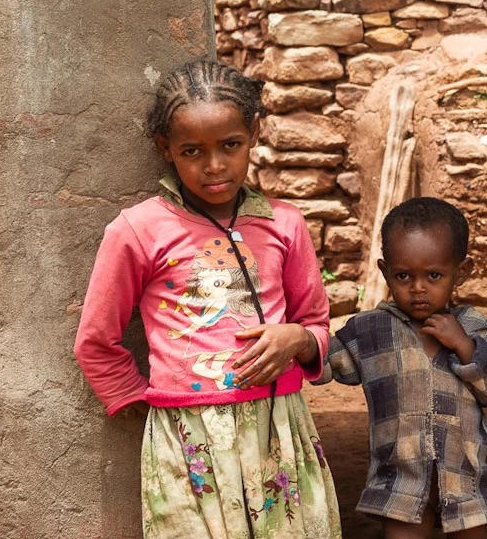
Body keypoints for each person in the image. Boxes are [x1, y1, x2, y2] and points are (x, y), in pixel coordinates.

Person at [73, 60, 341, 539]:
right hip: (187, 437)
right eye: (192, 151)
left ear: (254, 133)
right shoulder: (138, 230)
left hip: (277, 427)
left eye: (230, 146)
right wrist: (144, 399)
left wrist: (296, 339)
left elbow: (317, 323)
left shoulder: (284, 224)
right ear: (166, 149)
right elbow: (96, 339)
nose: (214, 165)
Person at [319, 198, 487, 538]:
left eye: (434, 275)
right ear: (385, 272)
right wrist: (296, 342)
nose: (418, 288)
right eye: (403, 275)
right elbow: (322, 365)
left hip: (463, 480)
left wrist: (466, 347)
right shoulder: (370, 330)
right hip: (400, 483)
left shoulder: (473, 327)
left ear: (461, 272)